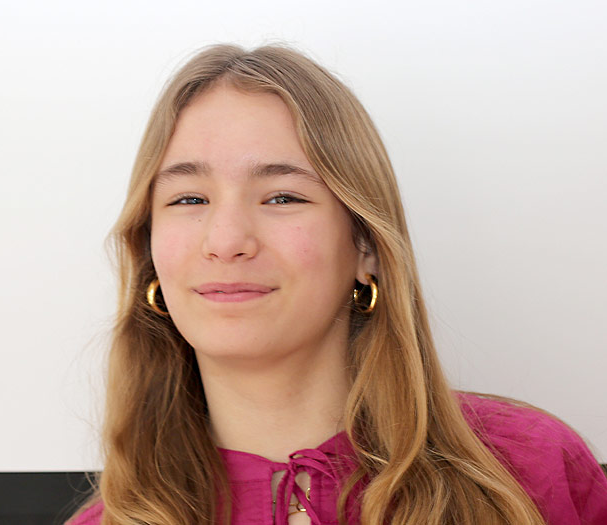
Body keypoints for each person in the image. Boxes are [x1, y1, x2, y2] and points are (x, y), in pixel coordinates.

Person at [68, 44, 607, 525]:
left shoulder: (530, 472)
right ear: (150, 254)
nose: (226, 240)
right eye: (189, 199)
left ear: (365, 245)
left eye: (283, 197)